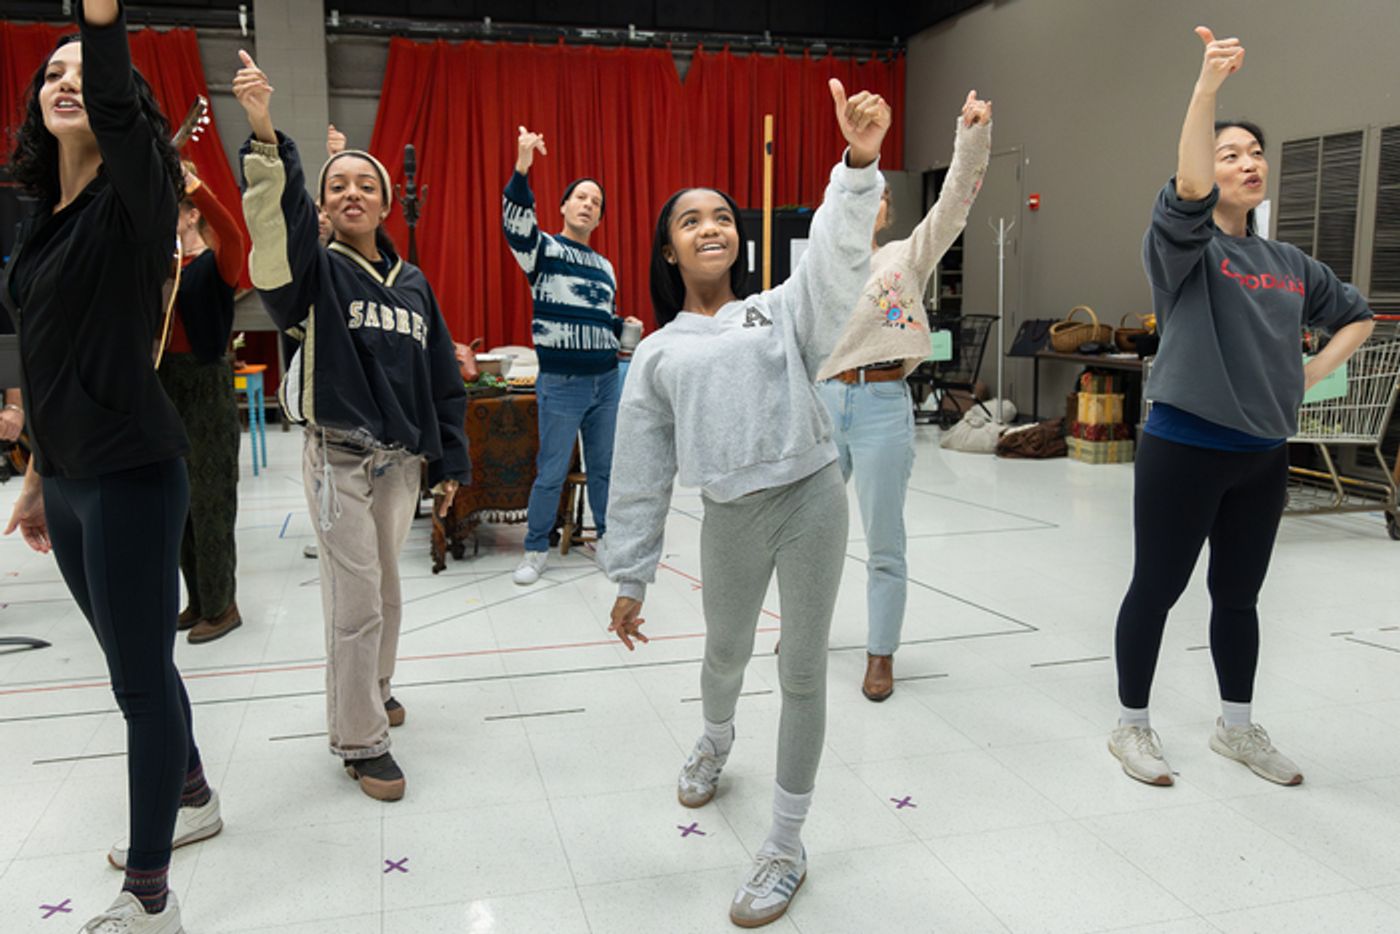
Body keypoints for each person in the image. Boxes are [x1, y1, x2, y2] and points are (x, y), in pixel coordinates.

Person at [603, 79, 890, 928]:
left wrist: (859, 162)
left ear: (739, 237)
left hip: (810, 499)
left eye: (722, 216)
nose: (711, 227)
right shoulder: (655, 353)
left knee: (802, 671)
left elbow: (840, 255)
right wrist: (629, 575)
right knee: (723, 656)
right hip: (730, 516)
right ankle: (717, 738)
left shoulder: (779, 309)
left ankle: (785, 845)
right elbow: (641, 469)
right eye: (691, 220)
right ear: (668, 250)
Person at [1, 2, 221, 930]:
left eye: (80, 72)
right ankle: (197, 792)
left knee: (137, 683)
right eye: (48, 74)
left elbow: (121, 114)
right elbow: (45, 355)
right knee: (140, 662)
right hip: (76, 479)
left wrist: (98, 23)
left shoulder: (131, 197)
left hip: (132, 471)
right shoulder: (40, 217)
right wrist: (39, 474)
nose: (64, 83)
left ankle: (150, 898)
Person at [1108, 27, 1374, 788]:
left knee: (1239, 596)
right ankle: (1131, 726)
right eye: (1231, 153)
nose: (1248, 162)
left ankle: (1235, 728)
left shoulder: (1289, 263)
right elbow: (1188, 186)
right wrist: (1206, 92)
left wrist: (1312, 370)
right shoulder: (1184, 250)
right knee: (1157, 588)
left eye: (1255, 153)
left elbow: (1356, 314)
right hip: (1184, 444)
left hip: (1261, 452)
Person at [234, 49, 470, 801]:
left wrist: (452, 458)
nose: (352, 192)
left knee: (388, 596)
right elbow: (275, 237)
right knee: (356, 599)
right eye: (338, 185)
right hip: (337, 457)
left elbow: (439, 376)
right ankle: (361, 739)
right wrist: (267, 134)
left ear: (385, 202)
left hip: (399, 464)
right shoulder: (316, 275)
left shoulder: (414, 284)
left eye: (366, 184)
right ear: (325, 204)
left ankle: (376, 686)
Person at [814, 90, 992, 701]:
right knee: (811, 532)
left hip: (883, 406)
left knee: (884, 539)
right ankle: (806, 630)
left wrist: (970, 140)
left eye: (882, 195)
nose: (872, 202)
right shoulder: (823, 264)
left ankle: (880, 652)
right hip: (823, 406)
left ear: (885, 210)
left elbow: (952, 207)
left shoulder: (902, 259)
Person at [502, 127, 641, 585]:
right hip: (561, 381)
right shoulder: (542, 249)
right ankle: (535, 549)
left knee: (604, 469)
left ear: (599, 218)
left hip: (606, 380)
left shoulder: (605, 268)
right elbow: (515, 225)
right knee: (551, 470)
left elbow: (604, 319)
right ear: (562, 206)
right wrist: (523, 167)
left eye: (596, 202)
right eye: (581, 197)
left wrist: (623, 333)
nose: (588, 204)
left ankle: (607, 540)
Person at [160, 161, 247, 644]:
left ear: (192, 215)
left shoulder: (215, 263)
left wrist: (194, 182)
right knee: (180, 502)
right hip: (166, 383)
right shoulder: (163, 266)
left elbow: (233, 233)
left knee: (212, 500)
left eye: (174, 209)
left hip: (206, 383)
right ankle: (198, 599)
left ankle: (223, 604)